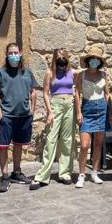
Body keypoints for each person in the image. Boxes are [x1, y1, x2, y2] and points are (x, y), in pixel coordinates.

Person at [0, 43, 38, 192]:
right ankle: (5, 176)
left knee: (18, 145)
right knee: (3, 147)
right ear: (6, 54)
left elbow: (33, 91)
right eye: (10, 53)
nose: (13, 55)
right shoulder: (0, 72)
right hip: (7, 116)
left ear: (21, 53)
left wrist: (32, 110)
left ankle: (16, 173)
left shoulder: (27, 72)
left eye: (16, 52)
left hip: (24, 116)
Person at [31, 49, 76, 189]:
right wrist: (49, 111)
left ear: (67, 58)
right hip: (55, 105)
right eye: (58, 57)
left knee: (67, 140)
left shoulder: (72, 72)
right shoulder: (50, 73)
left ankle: (65, 173)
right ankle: (42, 176)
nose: (61, 59)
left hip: (70, 104)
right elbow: (45, 93)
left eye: (63, 57)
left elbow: (81, 83)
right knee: (51, 139)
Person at [74, 46, 112, 188]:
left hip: (102, 108)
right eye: (93, 58)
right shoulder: (81, 75)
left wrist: (110, 112)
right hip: (87, 108)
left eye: (97, 59)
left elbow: (107, 94)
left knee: (98, 143)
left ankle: (94, 173)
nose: (95, 61)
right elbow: (77, 93)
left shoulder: (103, 75)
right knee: (84, 145)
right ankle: (81, 174)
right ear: (88, 60)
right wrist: (78, 112)